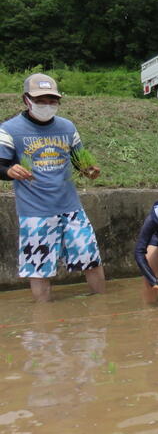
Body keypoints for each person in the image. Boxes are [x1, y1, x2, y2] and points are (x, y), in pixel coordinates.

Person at [0, 73, 104, 302]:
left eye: (52, 100)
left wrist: (89, 170)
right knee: (39, 269)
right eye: (41, 100)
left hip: (72, 209)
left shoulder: (67, 127)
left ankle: (102, 307)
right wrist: (9, 171)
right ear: (26, 99)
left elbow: (80, 161)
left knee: (91, 258)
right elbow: (1, 164)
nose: (47, 105)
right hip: (35, 213)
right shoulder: (9, 130)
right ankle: (43, 321)